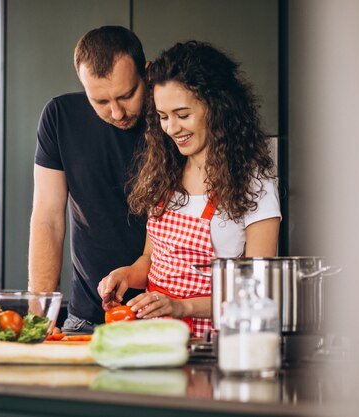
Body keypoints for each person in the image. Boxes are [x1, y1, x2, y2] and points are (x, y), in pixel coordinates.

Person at [98, 41, 281, 338]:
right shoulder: (164, 173)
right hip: (158, 344)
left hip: (216, 348)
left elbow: (257, 292)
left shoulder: (254, 184)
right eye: (163, 116)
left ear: (218, 108)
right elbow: (151, 259)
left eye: (183, 115)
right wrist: (126, 275)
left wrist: (182, 307)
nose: (171, 128)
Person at [28, 26, 148, 333]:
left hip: (165, 319)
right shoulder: (60, 117)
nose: (118, 113)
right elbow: (48, 219)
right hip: (85, 320)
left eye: (127, 95)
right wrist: (39, 318)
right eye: (101, 102)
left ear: (146, 73)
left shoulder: (171, 120)